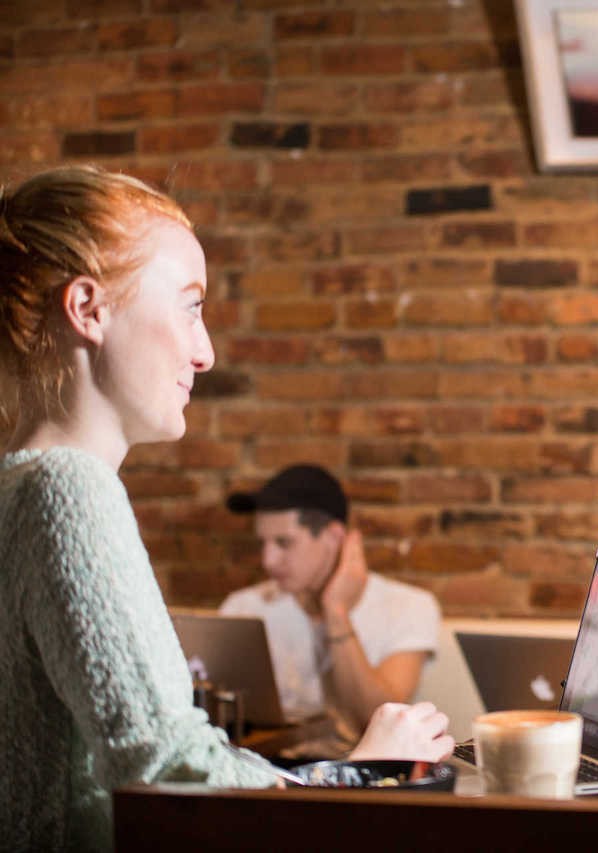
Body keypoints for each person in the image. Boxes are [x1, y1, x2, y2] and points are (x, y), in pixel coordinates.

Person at [0, 165, 453, 851]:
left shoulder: (15, 487)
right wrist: (363, 770)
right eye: (189, 305)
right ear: (88, 308)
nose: (206, 351)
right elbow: (170, 772)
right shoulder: (67, 488)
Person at [220, 464, 440, 739]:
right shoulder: (243, 608)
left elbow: (376, 723)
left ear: (333, 538)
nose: (268, 560)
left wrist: (336, 611)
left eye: (284, 543)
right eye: (263, 543)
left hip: (367, 776)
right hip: (270, 774)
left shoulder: (409, 607)